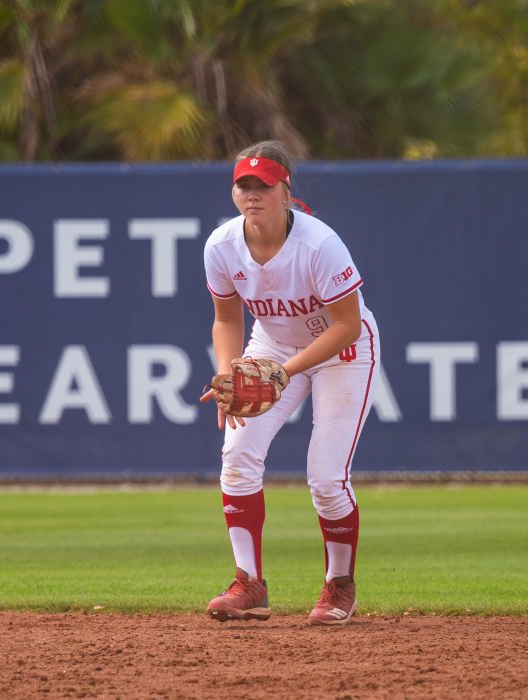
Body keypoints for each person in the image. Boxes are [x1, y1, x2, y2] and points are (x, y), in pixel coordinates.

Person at [197, 140, 378, 626]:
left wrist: (284, 372)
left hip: (341, 351)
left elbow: (349, 324)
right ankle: (248, 583)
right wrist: (231, 371)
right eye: (244, 185)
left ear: (286, 189)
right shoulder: (222, 245)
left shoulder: (319, 244)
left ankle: (339, 586)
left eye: (263, 185)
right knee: (237, 456)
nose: (252, 194)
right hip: (273, 345)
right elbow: (226, 318)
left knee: (325, 477)